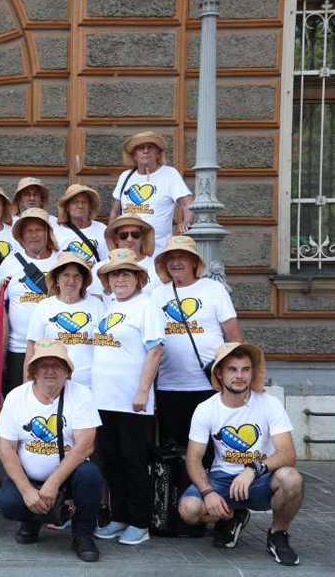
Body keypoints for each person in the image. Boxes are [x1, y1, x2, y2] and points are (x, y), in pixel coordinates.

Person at [179, 343, 303, 565]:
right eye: (232, 369)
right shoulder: (206, 409)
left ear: (252, 372)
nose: (240, 376)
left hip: (260, 480)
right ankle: (232, 516)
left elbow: (287, 454)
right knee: (189, 510)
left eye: (245, 369)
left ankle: (277, 534)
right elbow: (194, 459)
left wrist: (252, 470)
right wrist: (208, 492)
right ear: (219, 373)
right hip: (222, 479)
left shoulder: (269, 404)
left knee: (292, 479)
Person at [0, 339, 102, 562]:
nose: (50, 371)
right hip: (30, 478)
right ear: (33, 370)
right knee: (7, 503)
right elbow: (6, 447)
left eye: (57, 365)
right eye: (44, 365)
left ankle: (83, 534)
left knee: (90, 476)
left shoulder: (82, 394)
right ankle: (33, 520)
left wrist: (53, 483)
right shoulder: (16, 397)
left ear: (67, 371)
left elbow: (85, 445)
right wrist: (26, 490)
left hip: (68, 478)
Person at [91, 248, 164, 545]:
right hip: (103, 399)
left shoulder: (146, 306)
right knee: (111, 461)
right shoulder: (108, 306)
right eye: (114, 274)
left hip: (132, 400)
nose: (119, 279)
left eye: (125, 273)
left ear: (138, 278)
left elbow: (156, 350)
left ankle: (139, 522)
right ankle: (119, 517)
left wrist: (143, 390)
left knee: (133, 462)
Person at [151, 236, 244, 447]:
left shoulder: (213, 289)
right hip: (169, 386)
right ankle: (178, 482)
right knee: (172, 449)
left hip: (209, 383)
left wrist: (236, 377)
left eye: (182, 256)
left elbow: (234, 336)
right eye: (171, 257)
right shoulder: (157, 294)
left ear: (194, 261)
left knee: (211, 446)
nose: (176, 262)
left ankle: (209, 481)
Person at [0, 208, 59, 393]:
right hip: (18, 349)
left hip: (56, 349)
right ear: (21, 236)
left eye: (39, 230)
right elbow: (2, 313)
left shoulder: (61, 261)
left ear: (48, 233)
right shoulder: (9, 264)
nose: (34, 235)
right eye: (28, 231)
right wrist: (1, 355)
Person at [27, 253, 105, 389]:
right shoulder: (44, 306)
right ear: (57, 278)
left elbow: (105, 348)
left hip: (90, 385)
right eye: (66, 275)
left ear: (84, 280)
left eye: (77, 276)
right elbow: (31, 350)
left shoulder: (97, 305)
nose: (71, 280)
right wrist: (28, 387)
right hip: (52, 385)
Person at [110, 131, 194, 251]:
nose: (146, 151)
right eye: (140, 148)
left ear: (158, 154)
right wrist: (112, 237)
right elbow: (115, 211)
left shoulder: (169, 174)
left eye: (150, 148)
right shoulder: (125, 176)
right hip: (128, 251)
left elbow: (188, 203)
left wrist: (186, 222)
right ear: (134, 155)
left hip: (158, 250)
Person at [88, 214, 159, 300]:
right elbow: (96, 304)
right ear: (116, 239)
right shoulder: (99, 268)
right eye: (123, 235)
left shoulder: (157, 267)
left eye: (135, 234)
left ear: (142, 237)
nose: (130, 239)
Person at [53, 184, 109, 268]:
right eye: (75, 202)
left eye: (84, 202)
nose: (80, 206)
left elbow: (107, 262)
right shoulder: (56, 232)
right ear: (67, 207)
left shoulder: (101, 229)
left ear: (89, 207)